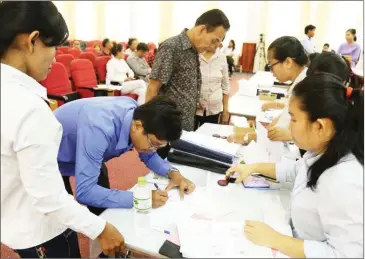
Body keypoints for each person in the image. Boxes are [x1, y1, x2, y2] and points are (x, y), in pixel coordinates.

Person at [0, 2, 124, 258]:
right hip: (40, 229)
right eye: (53, 46)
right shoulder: (29, 109)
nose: (55, 57)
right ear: (32, 41)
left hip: (11, 217)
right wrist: (100, 228)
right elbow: (48, 197)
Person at [226, 73, 363, 258]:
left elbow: (344, 254)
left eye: (294, 119)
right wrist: (252, 167)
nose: (289, 127)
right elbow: (295, 171)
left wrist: (275, 239)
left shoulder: (344, 180)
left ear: (320, 127)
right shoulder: (324, 152)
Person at [55, 96, 196, 216]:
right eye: (154, 144)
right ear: (137, 126)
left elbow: (148, 155)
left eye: (159, 146)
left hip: (89, 150)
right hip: (49, 156)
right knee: (59, 213)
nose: (154, 149)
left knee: (105, 210)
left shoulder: (139, 116)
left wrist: (173, 173)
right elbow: (85, 191)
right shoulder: (99, 128)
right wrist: (142, 197)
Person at [146, 8, 230, 158]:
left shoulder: (194, 51)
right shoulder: (172, 47)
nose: (214, 47)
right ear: (202, 29)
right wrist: (151, 126)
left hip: (185, 126)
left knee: (178, 170)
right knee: (161, 172)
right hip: (166, 127)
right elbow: (153, 88)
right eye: (214, 40)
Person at [261, 36, 308, 142]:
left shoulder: (307, 87)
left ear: (288, 62)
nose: (271, 71)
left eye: (271, 65)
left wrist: (292, 136)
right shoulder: (301, 81)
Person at [195, 48, 230, 130]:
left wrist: (225, 111)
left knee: (208, 139)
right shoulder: (195, 54)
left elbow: (226, 86)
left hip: (214, 109)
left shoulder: (222, 57)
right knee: (189, 139)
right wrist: (195, 99)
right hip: (193, 109)